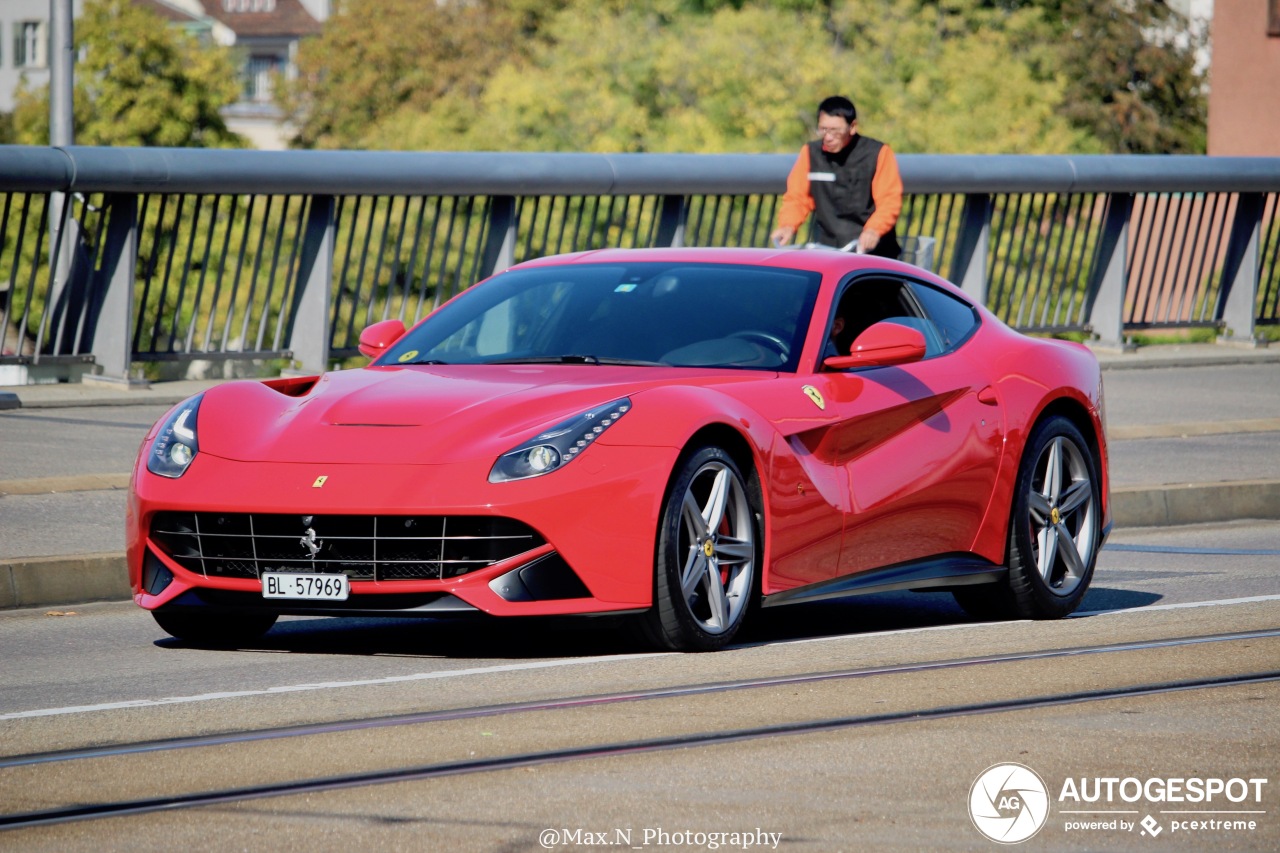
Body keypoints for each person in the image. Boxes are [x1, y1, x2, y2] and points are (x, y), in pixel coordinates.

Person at [770, 95, 903, 258]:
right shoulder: (811, 153)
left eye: (835, 131)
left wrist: (874, 230)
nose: (828, 137)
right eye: (823, 129)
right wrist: (788, 225)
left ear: (852, 127)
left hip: (871, 250)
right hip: (829, 249)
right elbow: (798, 198)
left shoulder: (877, 153)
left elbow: (889, 200)